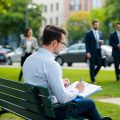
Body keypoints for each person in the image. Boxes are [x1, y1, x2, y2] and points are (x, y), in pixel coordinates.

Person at [23, 25, 111, 120]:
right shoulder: (51, 64)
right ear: (54, 43)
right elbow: (63, 98)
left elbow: (39, 80)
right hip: (49, 112)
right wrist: (78, 89)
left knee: (84, 105)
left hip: (33, 109)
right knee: (89, 103)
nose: (64, 47)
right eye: (63, 43)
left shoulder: (29, 59)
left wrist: (60, 82)